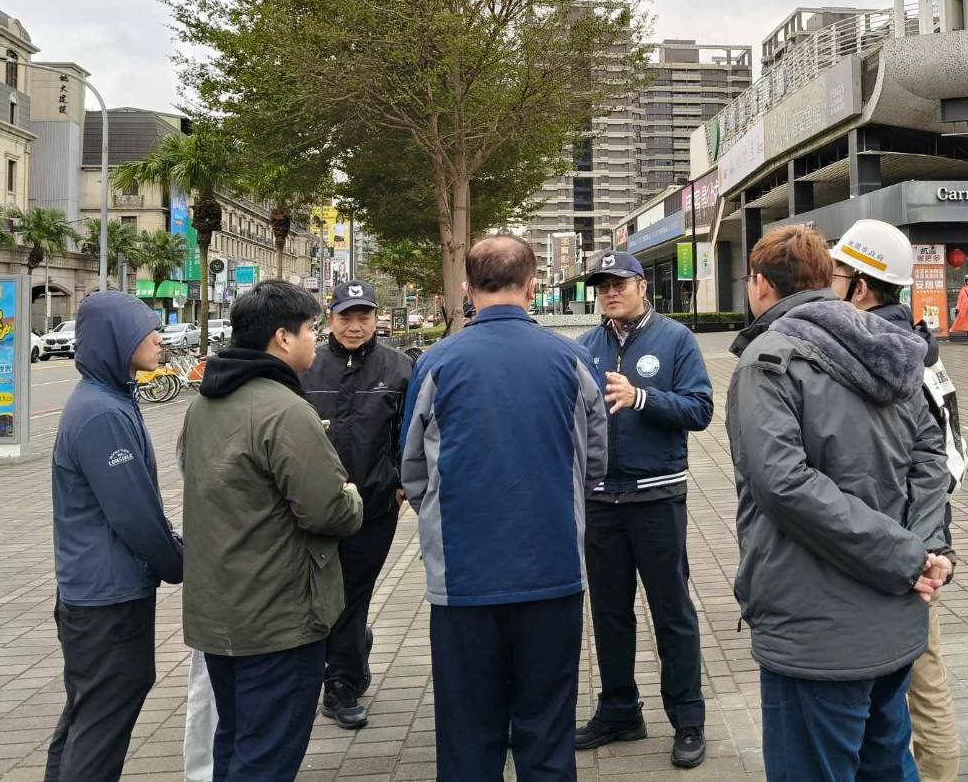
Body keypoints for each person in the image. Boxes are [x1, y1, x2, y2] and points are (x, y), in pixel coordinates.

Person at [727, 224, 953, 780]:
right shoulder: (891, 349)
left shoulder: (768, 359)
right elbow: (934, 450)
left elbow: (782, 484)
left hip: (816, 634)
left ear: (760, 284)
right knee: (887, 763)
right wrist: (926, 548)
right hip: (896, 618)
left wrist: (907, 557)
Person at [401, 234, 608, 781]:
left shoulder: (436, 362)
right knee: (547, 734)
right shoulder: (573, 358)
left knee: (468, 739)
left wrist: (444, 516)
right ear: (533, 284)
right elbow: (595, 462)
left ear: (467, 289)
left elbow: (413, 473)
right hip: (554, 574)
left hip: (462, 582)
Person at [182, 280, 365, 782]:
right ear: (283, 339)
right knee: (267, 756)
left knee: (235, 741)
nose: (315, 339)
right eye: (311, 329)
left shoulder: (205, 403)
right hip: (278, 618)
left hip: (220, 612)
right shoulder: (284, 410)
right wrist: (352, 494)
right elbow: (329, 510)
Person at [829, 220, 968, 782]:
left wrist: (916, 549)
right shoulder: (920, 352)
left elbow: (937, 462)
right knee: (922, 680)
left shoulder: (875, 357)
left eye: (836, 275)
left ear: (861, 288)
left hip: (896, 553)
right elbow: (954, 456)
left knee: (915, 679)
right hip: (916, 546)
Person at [573, 251, 714, 768]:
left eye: (619, 283)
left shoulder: (675, 340)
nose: (610, 292)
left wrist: (642, 397)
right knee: (609, 612)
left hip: (657, 496)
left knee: (671, 610)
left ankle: (688, 717)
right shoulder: (586, 347)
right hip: (600, 500)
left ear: (641, 286)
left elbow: (699, 409)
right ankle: (619, 710)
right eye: (602, 286)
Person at [47, 292, 184, 782]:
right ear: (115, 340)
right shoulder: (102, 412)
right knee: (103, 718)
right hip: (108, 599)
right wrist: (176, 562)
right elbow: (134, 514)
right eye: (145, 329)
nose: (157, 338)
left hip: (94, 593)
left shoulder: (108, 397)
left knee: (87, 714)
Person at [300, 279, 413, 728]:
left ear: (375, 320)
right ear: (330, 319)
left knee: (352, 592)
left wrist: (402, 481)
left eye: (363, 316)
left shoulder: (400, 368)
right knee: (322, 593)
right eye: (345, 316)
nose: (354, 325)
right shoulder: (306, 366)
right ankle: (349, 650)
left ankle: (341, 684)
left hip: (374, 506)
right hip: (315, 506)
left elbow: (410, 433)